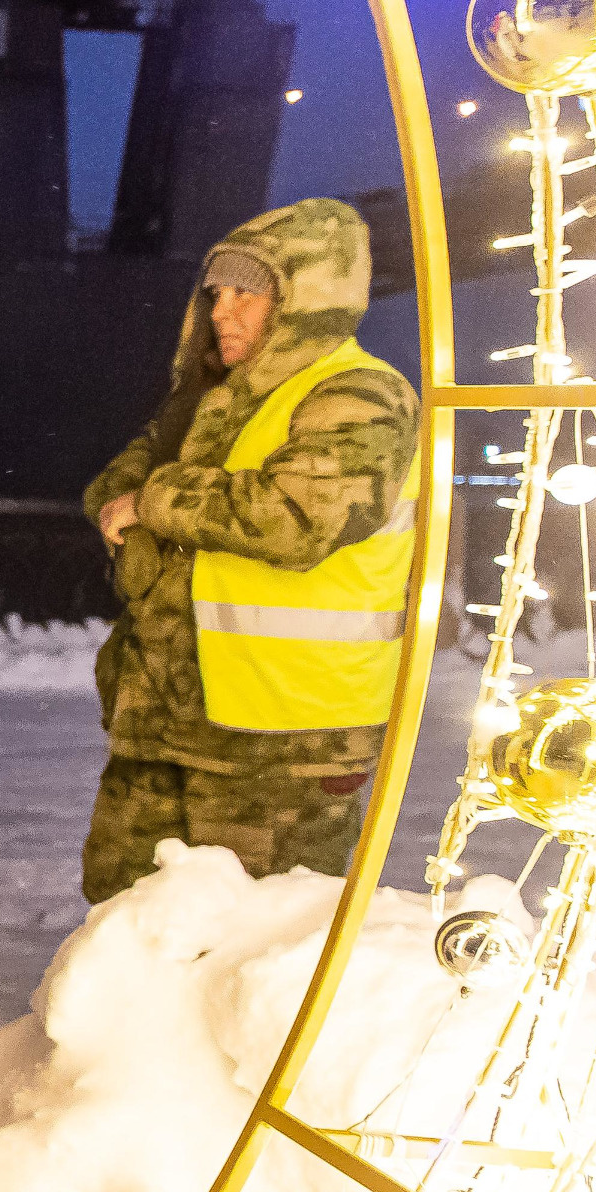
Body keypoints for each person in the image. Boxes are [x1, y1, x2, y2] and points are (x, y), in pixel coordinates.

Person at [80, 198, 414, 904]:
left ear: (304, 302)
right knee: (126, 926)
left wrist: (153, 504)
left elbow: (298, 516)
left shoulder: (359, 393)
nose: (222, 313)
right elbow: (118, 482)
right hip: (168, 719)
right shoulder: (214, 400)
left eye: (248, 293)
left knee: (253, 945)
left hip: (284, 739)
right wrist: (135, 499)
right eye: (215, 293)